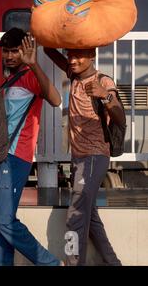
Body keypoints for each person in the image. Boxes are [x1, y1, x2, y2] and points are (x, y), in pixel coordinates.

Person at [0, 27, 62, 266]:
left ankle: (51, 263)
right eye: (6, 51)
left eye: (14, 51)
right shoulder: (8, 80)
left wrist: (35, 65)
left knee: (5, 221)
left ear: (26, 51)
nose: (9, 56)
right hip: (1, 155)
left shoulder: (29, 75)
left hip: (17, 156)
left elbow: (56, 100)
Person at [44, 46, 124, 266]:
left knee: (75, 217)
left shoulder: (104, 82)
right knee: (91, 218)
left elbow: (119, 116)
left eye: (78, 55)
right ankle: (112, 262)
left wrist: (105, 96)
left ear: (92, 56)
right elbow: (49, 51)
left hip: (94, 156)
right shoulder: (73, 74)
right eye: (70, 54)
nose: (72, 60)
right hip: (79, 159)